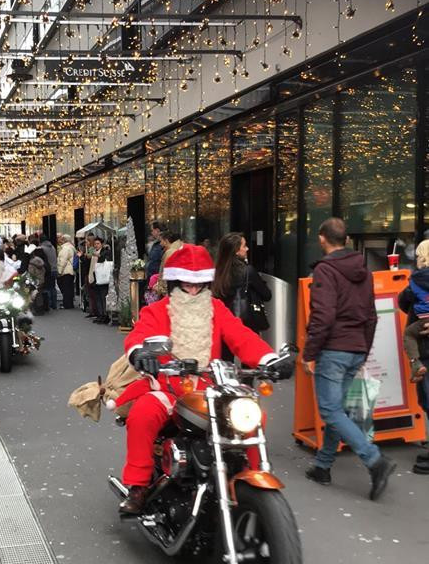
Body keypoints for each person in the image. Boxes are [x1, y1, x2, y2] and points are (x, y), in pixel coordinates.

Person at [115, 244, 288, 516]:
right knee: (142, 415)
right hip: (169, 388)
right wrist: (141, 353)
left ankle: (255, 481)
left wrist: (269, 360)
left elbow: (242, 337)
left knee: (253, 416)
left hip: (211, 389)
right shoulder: (158, 311)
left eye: (199, 285)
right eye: (186, 284)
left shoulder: (216, 309)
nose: (193, 290)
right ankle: (138, 486)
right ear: (174, 282)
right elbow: (138, 336)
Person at [302, 217, 395, 501]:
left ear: (322, 239)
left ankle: (375, 460)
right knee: (338, 410)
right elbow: (371, 316)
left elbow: (323, 316)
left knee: (331, 411)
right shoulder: (364, 271)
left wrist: (309, 353)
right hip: (355, 348)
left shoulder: (326, 271)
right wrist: (363, 351)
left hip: (333, 350)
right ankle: (323, 466)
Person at [213, 232, 272, 356]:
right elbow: (267, 295)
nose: (247, 249)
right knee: (250, 361)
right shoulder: (248, 271)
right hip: (246, 323)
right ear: (236, 251)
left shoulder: (217, 272)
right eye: (244, 246)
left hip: (224, 324)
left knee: (226, 363)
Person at [401, 240, 429, 382]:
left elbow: (404, 301)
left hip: (423, 319)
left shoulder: (415, 279)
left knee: (408, 334)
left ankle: (415, 363)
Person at [88, 236, 112, 324]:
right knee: (97, 296)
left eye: (98, 243)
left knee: (103, 296)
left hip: (103, 277)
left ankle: (105, 315)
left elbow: (103, 259)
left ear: (101, 244)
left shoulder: (105, 251)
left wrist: (97, 255)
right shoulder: (94, 252)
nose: (96, 245)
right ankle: (100, 314)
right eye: (95, 244)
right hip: (95, 276)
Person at [155, 229, 183, 297]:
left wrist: (161, 290)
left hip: (170, 293)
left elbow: (167, 274)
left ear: (166, 241)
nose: (160, 244)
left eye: (161, 241)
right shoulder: (180, 249)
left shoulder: (170, 253)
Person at [37, 234, 58, 310]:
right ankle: (54, 304)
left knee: (47, 288)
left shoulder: (42, 248)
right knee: (53, 287)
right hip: (54, 269)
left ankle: (48, 305)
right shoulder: (52, 247)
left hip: (47, 270)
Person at [57, 234, 76, 309]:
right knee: (69, 288)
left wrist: (59, 271)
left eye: (61, 239)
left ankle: (67, 304)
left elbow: (63, 261)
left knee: (66, 288)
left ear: (63, 240)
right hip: (70, 270)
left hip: (66, 271)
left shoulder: (65, 248)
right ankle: (69, 303)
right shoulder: (71, 247)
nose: (59, 240)